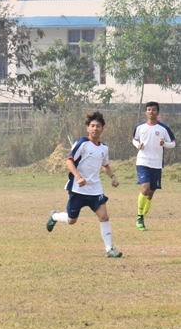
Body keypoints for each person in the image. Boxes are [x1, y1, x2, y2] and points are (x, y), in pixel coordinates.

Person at [46, 111, 122, 258]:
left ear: (102, 129)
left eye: (98, 126)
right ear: (88, 128)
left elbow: (105, 165)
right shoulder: (82, 143)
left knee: (104, 217)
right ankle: (54, 216)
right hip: (78, 189)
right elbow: (69, 161)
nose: (95, 129)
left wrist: (112, 176)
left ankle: (109, 250)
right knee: (71, 220)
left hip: (95, 190)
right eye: (92, 126)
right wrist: (78, 177)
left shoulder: (104, 148)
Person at [132, 101, 176, 232]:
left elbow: (173, 143)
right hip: (143, 162)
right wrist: (137, 145)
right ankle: (139, 217)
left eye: (154, 110)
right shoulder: (140, 127)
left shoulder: (163, 128)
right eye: (149, 109)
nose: (151, 112)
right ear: (146, 112)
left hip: (156, 164)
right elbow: (134, 139)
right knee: (145, 189)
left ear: (158, 112)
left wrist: (164, 144)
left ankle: (143, 216)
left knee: (150, 194)